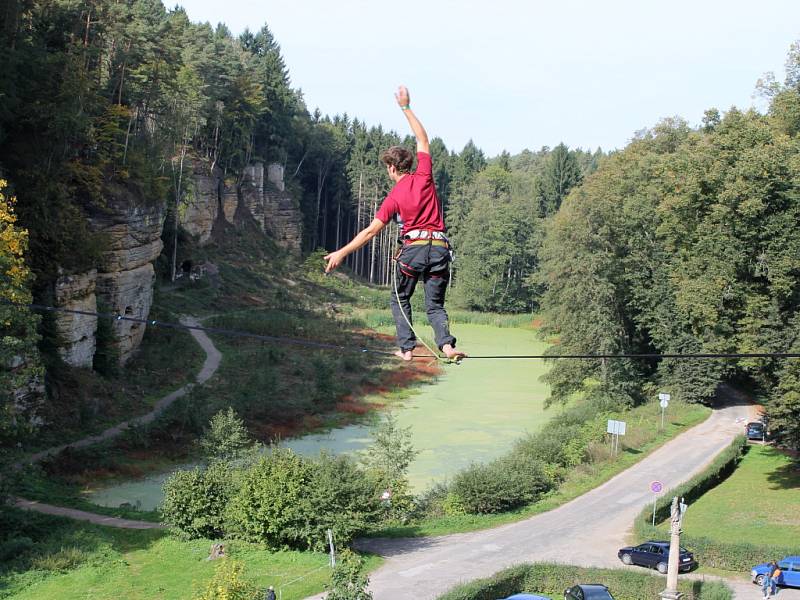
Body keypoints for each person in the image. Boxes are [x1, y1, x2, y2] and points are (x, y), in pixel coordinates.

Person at [324, 86, 465, 362]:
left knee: (400, 298)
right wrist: (406, 107)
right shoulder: (424, 176)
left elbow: (371, 231)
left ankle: (407, 348)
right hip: (438, 250)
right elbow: (423, 139)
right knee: (434, 305)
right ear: (409, 164)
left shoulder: (394, 196)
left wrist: (341, 252)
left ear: (391, 168)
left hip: (413, 252)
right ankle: (447, 347)